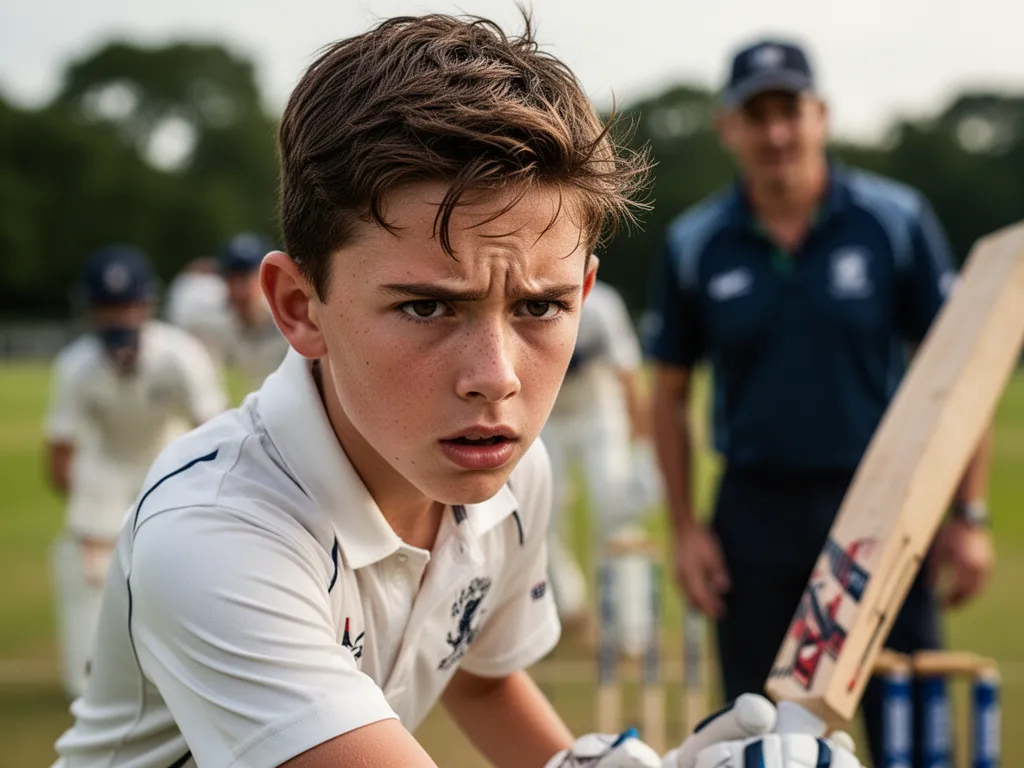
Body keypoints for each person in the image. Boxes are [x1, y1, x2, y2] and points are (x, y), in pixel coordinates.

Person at [53, 17, 864, 768]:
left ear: (584, 290)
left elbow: (476, 674)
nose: (498, 377)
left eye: (541, 307)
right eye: (427, 306)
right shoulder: (212, 534)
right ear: (301, 308)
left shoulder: (511, 477)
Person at [647, 38, 995, 768]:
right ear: (728, 128)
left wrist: (966, 516)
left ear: (821, 116)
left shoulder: (893, 220)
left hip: (881, 505)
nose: (776, 134)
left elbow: (961, 371)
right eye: (757, 116)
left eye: (790, 112)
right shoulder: (695, 242)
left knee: (912, 721)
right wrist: (685, 528)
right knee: (759, 733)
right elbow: (669, 392)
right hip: (754, 514)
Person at [44, 245, 228, 699]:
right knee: (86, 564)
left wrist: (203, 495)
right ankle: (89, 678)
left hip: (169, 456)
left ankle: (192, 663)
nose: (118, 318)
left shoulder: (181, 355)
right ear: (89, 310)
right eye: (107, 308)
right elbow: (60, 456)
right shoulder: (75, 366)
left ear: (146, 305)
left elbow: (217, 430)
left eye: (126, 306)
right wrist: (91, 517)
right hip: (106, 465)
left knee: (185, 558)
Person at [541, 279, 656, 637]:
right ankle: (565, 608)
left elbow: (627, 372)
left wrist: (641, 437)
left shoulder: (601, 306)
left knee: (615, 510)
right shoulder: (531, 294)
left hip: (599, 413)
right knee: (540, 514)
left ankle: (630, 625)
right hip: (546, 416)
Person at [165, 233, 290, 392]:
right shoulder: (205, 314)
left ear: (266, 276)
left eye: (245, 277)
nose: (238, 290)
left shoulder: (289, 316)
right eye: (231, 278)